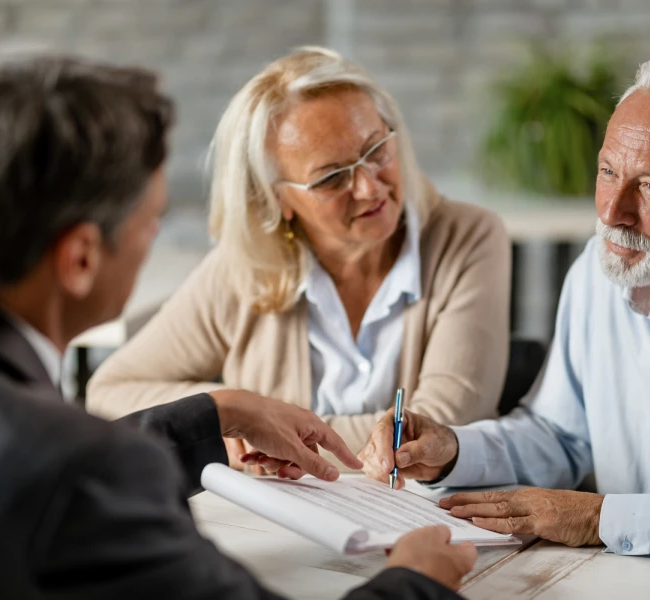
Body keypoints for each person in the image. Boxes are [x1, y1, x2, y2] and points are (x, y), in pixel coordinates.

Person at [0, 53, 478, 598]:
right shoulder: (91, 471)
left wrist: (218, 414)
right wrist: (417, 582)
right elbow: (76, 471)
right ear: (80, 260)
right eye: (152, 223)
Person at [359, 52, 650, 566]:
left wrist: (601, 518)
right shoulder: (598, 274)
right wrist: (454, 449)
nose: (609, 212)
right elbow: (559, 436)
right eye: (607, 170)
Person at [85, 46, 511, 470]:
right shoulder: (245, 268)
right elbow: (110, 392)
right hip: (280, 523)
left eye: (376, 149)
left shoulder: (469, 237)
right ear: (277, 198)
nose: (369, 187)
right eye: (331, 177)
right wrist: (229, 413)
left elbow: (441, 431)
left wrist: (271, 432)